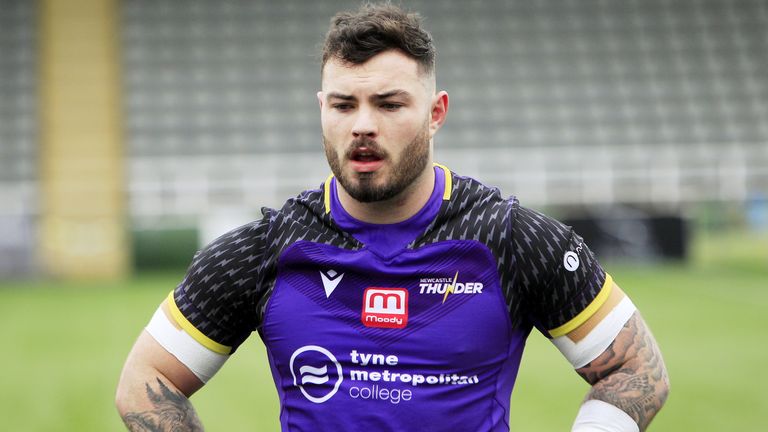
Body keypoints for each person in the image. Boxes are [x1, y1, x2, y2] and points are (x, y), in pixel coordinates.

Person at [115, 3, 669, 431]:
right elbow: (147, 377)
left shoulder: (511, 239)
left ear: (435, 113)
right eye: (343, 105)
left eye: (389, 103)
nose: (362, 125)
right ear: (321, 110)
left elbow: (636, 370)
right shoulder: (265, 250)